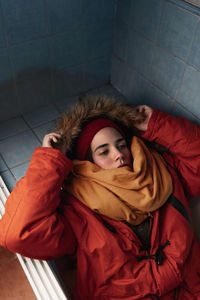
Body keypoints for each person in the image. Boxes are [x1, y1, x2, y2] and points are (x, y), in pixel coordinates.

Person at [0, 95, 200, 299]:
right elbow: (18, 234)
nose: (119, 154)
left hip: (191, 288)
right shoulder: (76, 211)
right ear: (88, 163)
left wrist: (155, 124)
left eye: (121, 145)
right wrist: (49, 161)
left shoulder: (163, 173)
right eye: (104, 152)